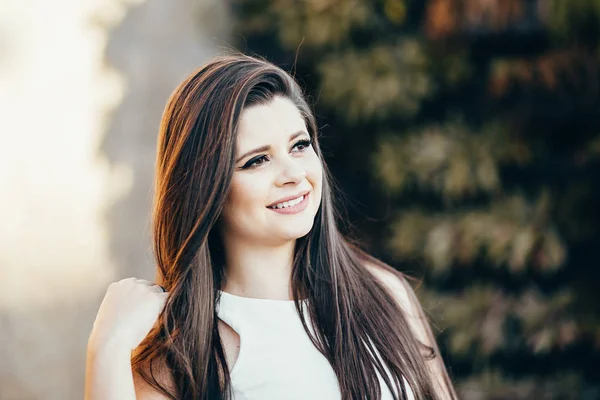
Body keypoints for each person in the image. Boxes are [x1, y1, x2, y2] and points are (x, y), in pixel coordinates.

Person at [84, 53, 458, 400]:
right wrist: (107, 350)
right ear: (206, 189)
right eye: (257, 160)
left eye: (299, 146)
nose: (294, 174)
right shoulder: (180, 363)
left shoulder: (385, 294)